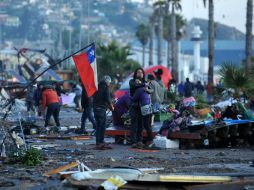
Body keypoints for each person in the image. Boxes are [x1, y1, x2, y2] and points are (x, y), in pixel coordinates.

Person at [129, 68, 153, 149]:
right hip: (134, 106)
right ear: (135, 74)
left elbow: (151, 90)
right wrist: (144, 85)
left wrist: (148, 89)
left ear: (143, 74)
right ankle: (133, 142)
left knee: (141, 125)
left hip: (143, 107)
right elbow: (135, 86)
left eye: (141, 72)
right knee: (134, 124)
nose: (140, 74)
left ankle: (140, 141)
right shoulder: (132, 81)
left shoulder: (144, 83)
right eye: (138, 72)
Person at [93, 75, 114, 150]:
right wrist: (111, 107)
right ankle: (101, 142)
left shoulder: (96, 87)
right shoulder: (106, 88)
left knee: (98, 126)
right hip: (101, 109)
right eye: (109, 82)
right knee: (102, 127)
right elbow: (108, 99)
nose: (109, 84)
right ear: (107, 81)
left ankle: (98, 142)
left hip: (95, 109)